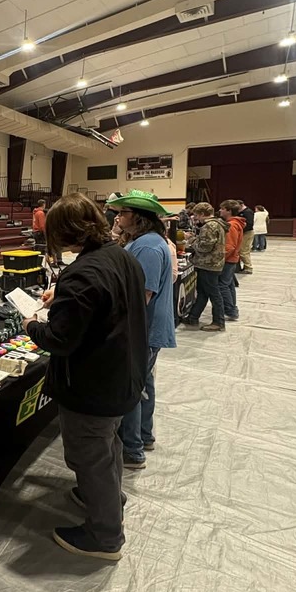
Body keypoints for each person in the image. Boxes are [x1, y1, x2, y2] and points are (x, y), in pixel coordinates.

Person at [24, 193, 148, 561]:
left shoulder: (83, 272)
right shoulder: (122, 257)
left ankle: (104, 535)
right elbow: (105, 309)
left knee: (90, 456)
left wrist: (32, 325)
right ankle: (108, 497)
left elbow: (60, 340)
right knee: (108, 448)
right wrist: (62, 296)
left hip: (94, 388)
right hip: (123, 378)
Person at [107, 191, 176, 470]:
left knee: (132, 389)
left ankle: (132, 450)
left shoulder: (147, 247)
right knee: (144, 385)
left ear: (137, 216)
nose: (118, 217)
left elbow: (141, 295)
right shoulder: (143, 241)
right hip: (144, 329)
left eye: (122, 213)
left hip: (143, 330)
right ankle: (144, 436)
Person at [180, 202, 227, 332]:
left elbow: (204, 247)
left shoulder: (209, 226)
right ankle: (193, 317)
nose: (195, 218)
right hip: (211, 263)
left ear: (201, 214)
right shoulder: (217, 224)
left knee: (214, 294)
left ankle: (218, 322)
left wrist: (191, 240)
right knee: (202, 293)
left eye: (196, 215)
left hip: (208, 264)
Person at [218, 201, 245, 325]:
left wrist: (220, 258)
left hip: (228, 260)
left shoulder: (232, 225)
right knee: (228, 285)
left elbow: (229, 246)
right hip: (232, 259)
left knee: (222, 285)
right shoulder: (235, 224)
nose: (220, 211)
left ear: (229, 211)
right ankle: (232, 309)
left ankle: (230, 310)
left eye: (222, 209)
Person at [236, 200, 255, 274]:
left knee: (244, 251)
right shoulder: (241, 212)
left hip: (247, 233)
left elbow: (249, 224)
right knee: (242, 250)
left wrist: (240, 229)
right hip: (243, 232)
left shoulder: (248, 212)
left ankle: (248, 268)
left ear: (241, 205)